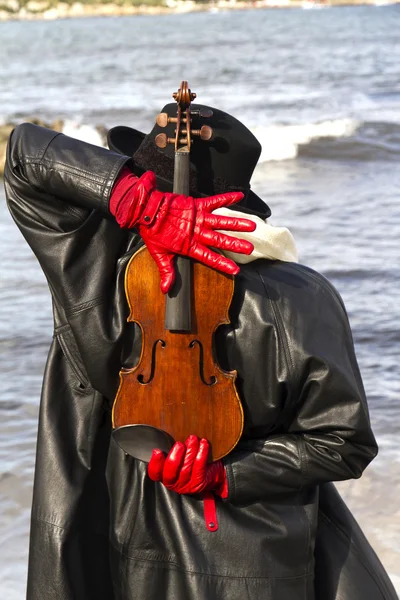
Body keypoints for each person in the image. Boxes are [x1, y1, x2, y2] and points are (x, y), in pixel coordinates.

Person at [3, 104, 393, 600]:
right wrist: (228, 473)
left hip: (119, 547)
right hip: (260, 564)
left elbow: (25, 156)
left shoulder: (92, 271)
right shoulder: (302, 297)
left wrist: (139, 205)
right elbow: (343, 442)